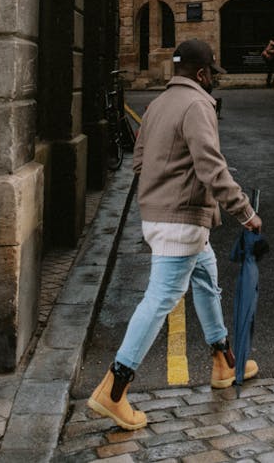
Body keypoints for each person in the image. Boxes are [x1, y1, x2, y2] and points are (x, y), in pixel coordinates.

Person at [87, 39, 263, 431]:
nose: (212, 83)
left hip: (159, 215)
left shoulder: (156, 105)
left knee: (206, 275)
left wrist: (160, 192)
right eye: (211, 76)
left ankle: (223, 361)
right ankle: (114, 389)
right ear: (201, 74)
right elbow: (211, 168)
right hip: (182, 220)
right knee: (162, 297)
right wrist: (246, 213)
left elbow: (138, 162)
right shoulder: (199, 104)